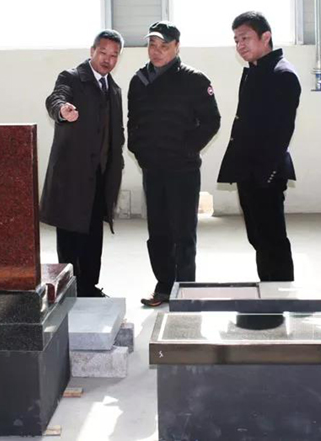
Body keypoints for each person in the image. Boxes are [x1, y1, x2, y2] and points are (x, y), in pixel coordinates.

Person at [128, 21, 221, 307]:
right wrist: (138, 151)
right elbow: (133, 121)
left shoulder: (194, 80)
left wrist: (187, 149)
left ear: (177, 47)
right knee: (158, 232)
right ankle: (164, 287)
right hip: (152, 169)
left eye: (164, 46)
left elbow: (212, 121)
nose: (156, 51)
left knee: (183, 232)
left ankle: (187, 290)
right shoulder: (139, 80)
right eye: (152, 45)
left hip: (183, 170)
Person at [40, 30, 125, 297]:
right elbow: (56, 98)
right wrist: (62, 110)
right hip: (72, 174)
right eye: (103, 53)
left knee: (93, 235)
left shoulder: (114, 90)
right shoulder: (71, 78)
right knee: (70, 235)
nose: (107, 60)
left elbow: (116, 132)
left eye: (114, 55)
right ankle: (69, 289)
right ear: (92, 51)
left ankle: (89, 287)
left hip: (100, 175)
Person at [217, 11, 301, 282]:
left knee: (272, 240)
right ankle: (269, 289)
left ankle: (281, 294)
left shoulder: (282, 74)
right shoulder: (256, 71)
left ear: (266, 37)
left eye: (245, 38)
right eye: (236, 40)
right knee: (259, 238)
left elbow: (281, 132)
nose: (240, 45)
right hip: (248, 171)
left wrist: (266, 175)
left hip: (266, 173)